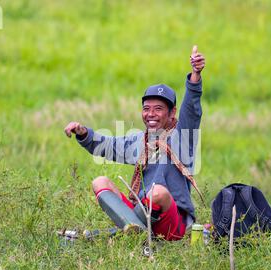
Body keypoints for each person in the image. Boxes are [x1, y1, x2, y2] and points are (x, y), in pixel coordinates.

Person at [64, 45, 205, 241]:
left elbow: (191, 107)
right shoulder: (139, 140)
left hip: (173, 224)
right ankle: (137, 233)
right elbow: (106, 145)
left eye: (158, 109)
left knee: (158, 192)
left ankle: (117, 235)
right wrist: (82, 132)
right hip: (143, 212)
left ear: (172, 113)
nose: (151, 114)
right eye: (146, 108)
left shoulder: (183, 135)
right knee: (100, 182)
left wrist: (195, 76)